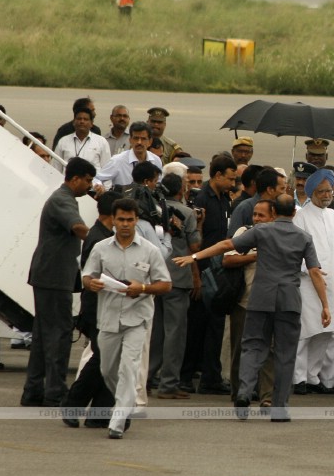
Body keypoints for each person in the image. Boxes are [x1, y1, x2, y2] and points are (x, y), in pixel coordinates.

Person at [174, 195, 331, 422]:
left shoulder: (262, 231)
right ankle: (279, 408)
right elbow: (315, 272)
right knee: (285, 355)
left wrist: (195, 256)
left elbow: (228, 245)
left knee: (252, 346)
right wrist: (325, 305)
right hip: (288, 301)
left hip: (260, 298)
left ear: (274, 211)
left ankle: (245, 392)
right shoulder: (304, 237)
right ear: (294, 213)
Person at [82, 198, 171, 439]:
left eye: (130, 220)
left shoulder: (149, 251)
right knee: (108, 369)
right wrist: (93, 284)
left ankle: (117, 422)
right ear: (113, 220)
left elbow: (165, 284)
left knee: (129, 368)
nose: (125, 224)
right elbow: (86, 277)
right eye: (121, 219)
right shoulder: (101, 248)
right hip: (108, 318)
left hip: (138, 319)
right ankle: (125, 403)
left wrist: (141, 287)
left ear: (137, 221)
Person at [20, 157, 95, 408]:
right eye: (87, 180)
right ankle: (55, 392)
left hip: (49, 276)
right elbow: (78, 228)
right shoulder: (62, 200)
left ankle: (33, 391)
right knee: (60, 334)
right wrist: (102, 241)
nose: (89, 185)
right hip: (53, 277)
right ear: (74, 179)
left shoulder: (65, 198)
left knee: (43, 335)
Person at [293, 169, 334, 394]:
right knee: (305, 332)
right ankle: (298, 378)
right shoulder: (300, 218)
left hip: (332, 284)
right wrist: (309, 269)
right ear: (312, 193)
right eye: (321, 191)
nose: (327, 195)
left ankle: (313, 376)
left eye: (329, 190)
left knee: (326, 332)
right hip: (307, 283)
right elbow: (294, 252)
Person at [62, 190, 120, 429]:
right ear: (112, 214)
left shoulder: (104, 235)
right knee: (103, 359)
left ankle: (100, 413)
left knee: (111, 359)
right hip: (98, 309)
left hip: (108, 308)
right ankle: (73, 403)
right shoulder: (99, 239)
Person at [183, 154, 238, 395]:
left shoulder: (224, 199)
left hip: (217, 270)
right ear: (217, 176)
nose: (233, 184)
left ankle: (210, 377)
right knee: (196, 327)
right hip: (202, 269)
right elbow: (193, 241)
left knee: (214, 326)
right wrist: (196, 276)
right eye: (230, 179)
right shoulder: (202, 199)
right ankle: (186, 377)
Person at [151, 174, 201, 399]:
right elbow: (194, 245)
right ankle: (169, 383)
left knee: (156, 332)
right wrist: (199, 224)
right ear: (181, 190)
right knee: (175, 333)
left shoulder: (152, 208)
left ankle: (148, 375)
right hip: (178, 279)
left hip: (154, 277)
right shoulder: (187, 213)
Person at [223, 199, 277, 405]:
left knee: (269, 349)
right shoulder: (244, 233)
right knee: (241, 348)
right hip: (244, 300)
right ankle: (239, 394)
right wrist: (255, 256)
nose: (256, 218)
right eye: (255, 214)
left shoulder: (279, 236)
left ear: (273, 217)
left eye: (261, 215)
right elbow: (227, 259)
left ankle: (267, 396)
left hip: (271, 301)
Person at [93, 122, 162, 193]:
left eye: (143, 139)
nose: (139, 142)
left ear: (150, 142)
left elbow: (158, 183)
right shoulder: (118, 160)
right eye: (136, 138)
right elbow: (97, 178)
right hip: (122, 201)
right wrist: (99, 186)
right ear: (130, 140)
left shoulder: (156, 160)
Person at [228, 167, 286, 237]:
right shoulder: (244, 208)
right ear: (270, 190)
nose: (284, 193)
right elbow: (232, 240)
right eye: (282, 189)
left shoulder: (280, 208)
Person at [53, 105, 111, 170]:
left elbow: (106, 169)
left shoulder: (101, 142)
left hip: (93, 180)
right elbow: (56, 168)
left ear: (91, 123)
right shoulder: (63, 141)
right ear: (74, 122)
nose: (82, 122)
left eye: (85, 119)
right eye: (79, 119)